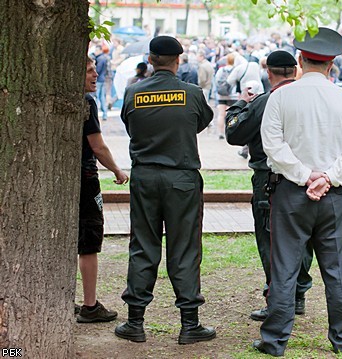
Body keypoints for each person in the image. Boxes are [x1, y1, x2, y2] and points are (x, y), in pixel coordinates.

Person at [253, 27, 342, 356]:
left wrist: (305, 176)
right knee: (337, 270)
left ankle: (274, 340)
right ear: (332, 64)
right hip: (334, 197)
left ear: (301, 60)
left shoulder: (281, 98)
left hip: (291, 193)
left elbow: (272, 146)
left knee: (284, 267)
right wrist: (328, 178)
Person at [115, 36, 216, 344]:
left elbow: (130, 126)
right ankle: (189, 324)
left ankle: (135, 322)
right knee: (184, 248)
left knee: (143, 245)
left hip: (144, 177)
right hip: (181, 179)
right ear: (177, 60)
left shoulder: (133, 92)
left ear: (151, 58)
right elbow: (200, 123)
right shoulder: (192, 93)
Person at [225, 50, 314, 323]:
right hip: (309, 177)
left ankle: (277, 298)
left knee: (271, 241)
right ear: (295, 69)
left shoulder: (267, 101)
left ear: (268, 73)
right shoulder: (310, 98)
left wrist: (241, 104)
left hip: (270, 180)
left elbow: (234, 133)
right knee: (303, 239)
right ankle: (297, 294)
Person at [77, 56, 129, 323]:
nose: (96, 74)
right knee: (88, 240)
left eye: (96, 69)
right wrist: (118, 170)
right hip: (85, 179)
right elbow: (97, 146)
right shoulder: (85, 102)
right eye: (89, 71)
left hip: (66, 180)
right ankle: (89, 305)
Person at [93, 45, 110, 121]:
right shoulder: (104, 58)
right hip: (102, 79)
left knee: (96, 97)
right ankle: (105, 114)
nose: (95, 52)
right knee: (102, 97)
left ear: (100, 50)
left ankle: (95, 114)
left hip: (98, 80)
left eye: (96, 50)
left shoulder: (100, 59)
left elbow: (98, 70)